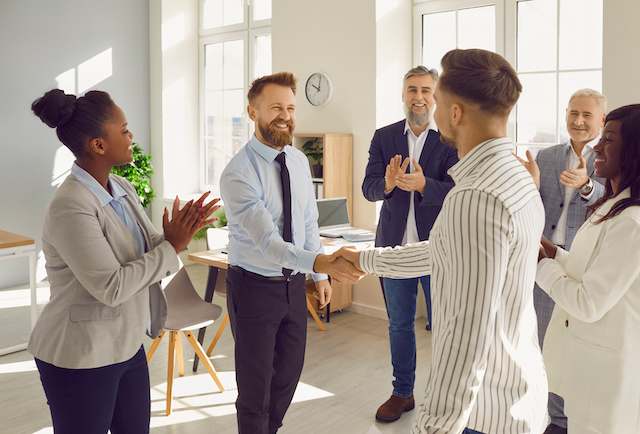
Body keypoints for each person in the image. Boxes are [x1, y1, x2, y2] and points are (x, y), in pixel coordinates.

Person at [329, 49, 548, 433]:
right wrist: (365, 260)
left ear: (455, 112)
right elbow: (445, 251)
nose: (428, 103)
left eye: (437, 97)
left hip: (485, 411)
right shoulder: (518, 177)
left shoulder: (475, 195)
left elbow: (466, 333)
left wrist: (432, 427)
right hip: (517, 392)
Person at [29, 89, 218, 433]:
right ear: (98, 145)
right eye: (125, 130)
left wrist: (180, 234)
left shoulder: (122, 187)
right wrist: (171, 245)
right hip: (80, 353)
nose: (132, 137)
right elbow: (112, 286)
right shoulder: (70, 205)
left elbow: (145, 252)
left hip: (126, 344)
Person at [219, 71, 363, 434]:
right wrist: (319, 262)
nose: (285, 115)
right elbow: (269, 243)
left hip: (293, 286)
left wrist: (318, 275)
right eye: (275, 108)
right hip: (253, 288)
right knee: (255, 388)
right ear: (253, 112)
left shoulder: (298, 161)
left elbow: (308, 223)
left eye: (290, 108)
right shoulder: (239, 173)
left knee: (287, 377)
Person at [531, 104, 640, 434]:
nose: (596, 147)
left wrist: (541, 266)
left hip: (605, 377)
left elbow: (589, 302)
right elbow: (591, 268)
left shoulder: (632, 222)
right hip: (588, 363)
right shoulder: (614, 205)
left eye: (608, 138)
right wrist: (554, 253)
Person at [361, 66, 458, 423]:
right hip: (394, 252)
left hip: (440, 252)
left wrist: (422, 185)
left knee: (446, 327)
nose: (419, 96)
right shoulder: (384, 136)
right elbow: (369, 189)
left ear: (436, 97)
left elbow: (458, 192)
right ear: (403, 95)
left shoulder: (452, 138)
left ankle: (446, 396)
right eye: (412, 89)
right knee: (399, 325)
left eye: (426, 90)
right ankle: (403, 392)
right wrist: (387, 184)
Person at [532, 88, 607, 434]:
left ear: (601, 120)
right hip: (546, 262)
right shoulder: (545, 157)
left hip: (586, 268)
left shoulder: (613, 158)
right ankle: (550, 417)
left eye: (587, 115)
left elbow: (620, 200)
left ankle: (571, 421)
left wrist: (588, 185)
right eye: (573, 113)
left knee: (576, 347)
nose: (578, 121)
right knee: (543, 343)